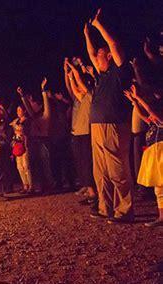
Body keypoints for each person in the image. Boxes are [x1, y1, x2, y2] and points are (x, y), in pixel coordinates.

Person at [84, 8, 134, 223]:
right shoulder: (102, 75)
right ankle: (106, 208)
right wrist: (87, 36)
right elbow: (91, 55)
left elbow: (113, 45)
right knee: (100, 173)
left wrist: (98, 26)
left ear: (110, 57)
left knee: (117, 170)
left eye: (100, 55)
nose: (96, 58)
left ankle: (125, 210)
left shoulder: (119, 72)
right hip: (97, 126)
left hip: (113, 126)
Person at [124, 85, 162, 227]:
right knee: (158, 188)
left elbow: (150, 111)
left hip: (161, 155)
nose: (150, 116)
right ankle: (161, 216)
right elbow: (143, 115)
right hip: (155, 155)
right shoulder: (153, 124)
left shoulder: (161, 122)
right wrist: (134, 102)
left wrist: (138, 97)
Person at [64, 58, 97, 205]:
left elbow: (79, 83)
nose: (79, 86)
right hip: (78, 134)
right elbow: (74, 88)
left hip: (86, 134)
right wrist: (70, 76)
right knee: (82, 165)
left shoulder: (90, 94)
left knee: (88, 164)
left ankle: (95, 194)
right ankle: (91, 193)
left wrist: (73, 68)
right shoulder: (83, 97)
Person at [17, 78, 53, 194]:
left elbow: (46, 104)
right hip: (35, 142)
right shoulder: (33, 117)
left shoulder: (45, 116)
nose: (32, 106)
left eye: (34, 104)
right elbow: (28, 107)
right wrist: (22, 96)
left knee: (45, 165)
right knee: (37, 165)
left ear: (39, 105)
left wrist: (43, 90)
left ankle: (49, 185)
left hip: (42, 141)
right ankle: (41, 186)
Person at [10, 105, 33, 194]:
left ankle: (31, 186)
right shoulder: (15, 121)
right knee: (19, 166)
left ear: (24, 111)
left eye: (20, 110)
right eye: (17, 110)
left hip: (25, 145)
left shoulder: (27, 121)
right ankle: (25, 185)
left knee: (26, 166)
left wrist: (26, 145)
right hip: (17, 145)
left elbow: (27, 134)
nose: (18, 111)